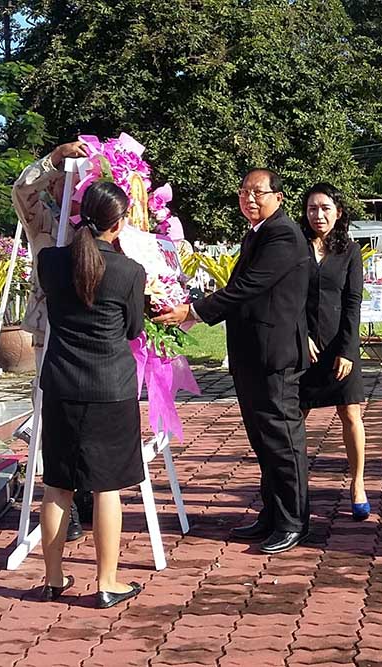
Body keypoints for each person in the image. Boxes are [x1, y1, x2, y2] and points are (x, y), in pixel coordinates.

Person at [156, 169, 311, 554]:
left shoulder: (283, 234)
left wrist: (192, 312)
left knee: (282, 440)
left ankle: (293, 521)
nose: (249, 199)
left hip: (274, 354)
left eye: (258, 192)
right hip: (251, 353)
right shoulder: (257, 233)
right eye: (244, 192)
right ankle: (272, 515)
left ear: (278, 196)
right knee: (263, 440)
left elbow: (247, 287)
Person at [36, 181, 146, 608]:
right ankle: (107, 581)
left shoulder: (50, 262)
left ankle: (52, 578)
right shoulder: (128, 271)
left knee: (57, 485)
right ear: (118, 224)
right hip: (110, 388)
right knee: (106, 489)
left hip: (61, 385)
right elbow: (133, 329)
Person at [12, 141, 94, 541]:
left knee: (90, 415)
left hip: (92, 332)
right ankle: (62, 500)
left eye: (78, 178)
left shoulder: (99, 220)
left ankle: (88, 490)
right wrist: (55, 158)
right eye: (62, 179)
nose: (69, 185)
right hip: (51, 330)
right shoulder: (44, 219)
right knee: (49, 414)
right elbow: (22, 191)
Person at [298, 183, 369, 520]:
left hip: (340, 347)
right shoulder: (296, 248)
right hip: (303, 347)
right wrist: (301, 335)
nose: (319, 215)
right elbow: (289, 298)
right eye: (312, 208)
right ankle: (294, 488)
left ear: (338, 212)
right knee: (294, 418)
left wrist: (348, 351)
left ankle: (358, 484)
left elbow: (353, 304)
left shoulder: (349, 251)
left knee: (350, 414)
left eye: (325, 208)